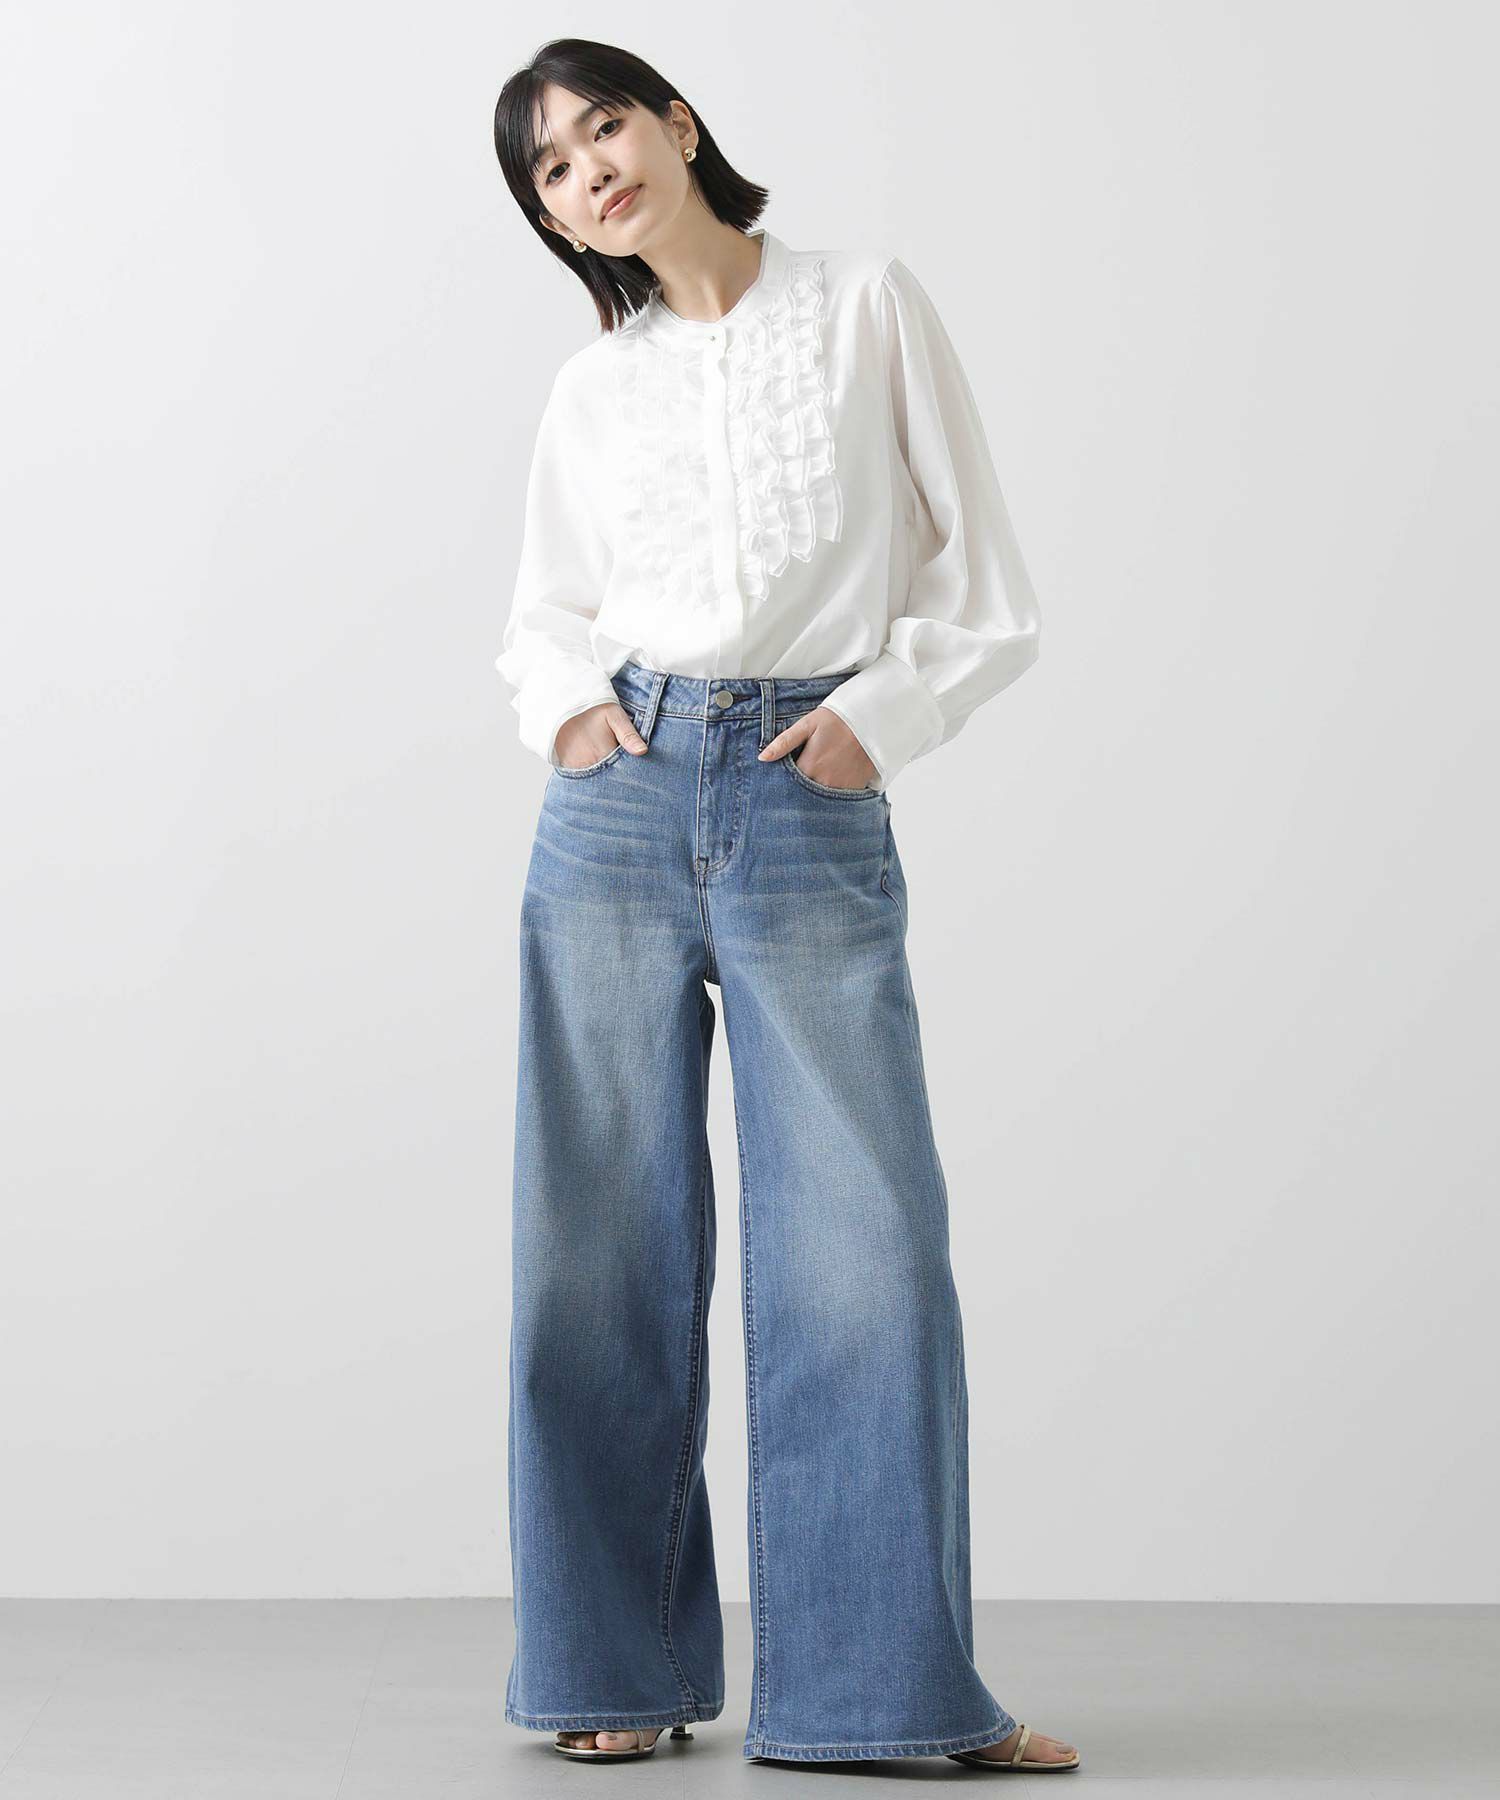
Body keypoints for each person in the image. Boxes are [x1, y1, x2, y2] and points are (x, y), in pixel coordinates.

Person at [491, 37, 1080, 1775]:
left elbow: (986, 579)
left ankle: (879, 1698)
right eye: (550, 168)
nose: (590, 169)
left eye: (605, 125)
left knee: (864, 1252)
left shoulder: (864, 303)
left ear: (677, 123)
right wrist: (571, 715)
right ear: (553, 220)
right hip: (617, 800)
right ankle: (610, 1672)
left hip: (805, 791)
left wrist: (881, 719)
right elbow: (544, 610)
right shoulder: (593, 391)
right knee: (596, 1253)